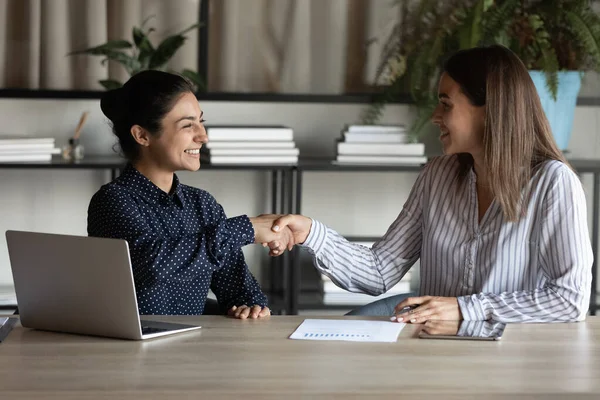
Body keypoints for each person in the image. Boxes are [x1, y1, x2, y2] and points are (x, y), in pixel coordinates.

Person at [263, 45, 593, 323]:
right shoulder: (437, 176)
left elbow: (569, 299)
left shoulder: (552, 184)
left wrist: (465, 309)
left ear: (490, 111)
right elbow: (379, 272)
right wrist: (312, 234)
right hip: (433, 357)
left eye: (446, 103)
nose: (435, 115)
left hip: (511, 364)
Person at [87, 70, 292, 319]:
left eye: (200, 122)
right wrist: (246, 228)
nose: (202, 136)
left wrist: (250, 306)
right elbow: (152, 266)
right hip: (128, 351)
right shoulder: (112, 201)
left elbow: (240, 290)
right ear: (142, 135)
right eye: (187, 125)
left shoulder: (203, 204)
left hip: (192, 350)